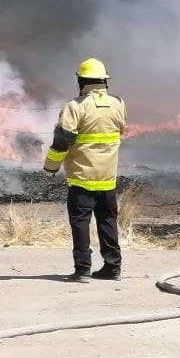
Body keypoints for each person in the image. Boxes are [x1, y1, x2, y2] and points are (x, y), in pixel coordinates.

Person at [43, 57, 127, 282]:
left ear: (82, 81)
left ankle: (82, 270)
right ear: (104, 81)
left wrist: (50, 169)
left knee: (80, 223)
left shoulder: (75, 106)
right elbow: (121, 131)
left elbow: (62, 143)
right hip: (108, 177)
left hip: (82, 178)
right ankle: (113, 267)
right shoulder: (118, 103)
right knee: (107, 222)